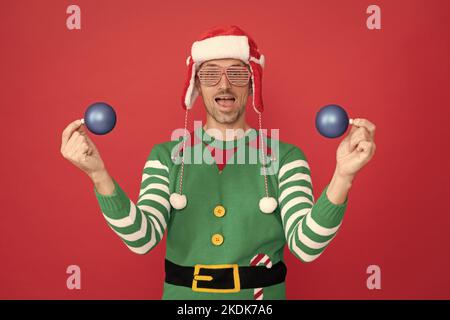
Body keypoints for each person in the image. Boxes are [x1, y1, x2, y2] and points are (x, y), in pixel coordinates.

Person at [60, 25, 376, 300]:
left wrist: (343, 177)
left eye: (237, 74)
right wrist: (99, 175)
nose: (224, 85)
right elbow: (142, 239)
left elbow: (307, 246)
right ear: (196, 86)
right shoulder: (165, 157)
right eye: (210, 74)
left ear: (252, 84)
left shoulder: (287, 158)